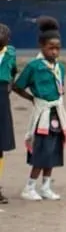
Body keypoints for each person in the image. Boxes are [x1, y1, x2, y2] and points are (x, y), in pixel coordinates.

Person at [12, 19, 66, 201]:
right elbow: (17, 86)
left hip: (57, 114)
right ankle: (29, 187)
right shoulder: (34, 67)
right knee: (41, 151)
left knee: (53, 151)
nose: (54, 52)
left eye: (58, 48)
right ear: (41, 46)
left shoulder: (59, 67)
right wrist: (32, 99)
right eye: (51, 48)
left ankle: (45, 186)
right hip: (43, 114)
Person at [0, 24, 15, 205]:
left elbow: (12, 74)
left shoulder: (11, 53)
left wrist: (8, 88)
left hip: (2, 98)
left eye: (4, 33)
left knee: (1, 145)